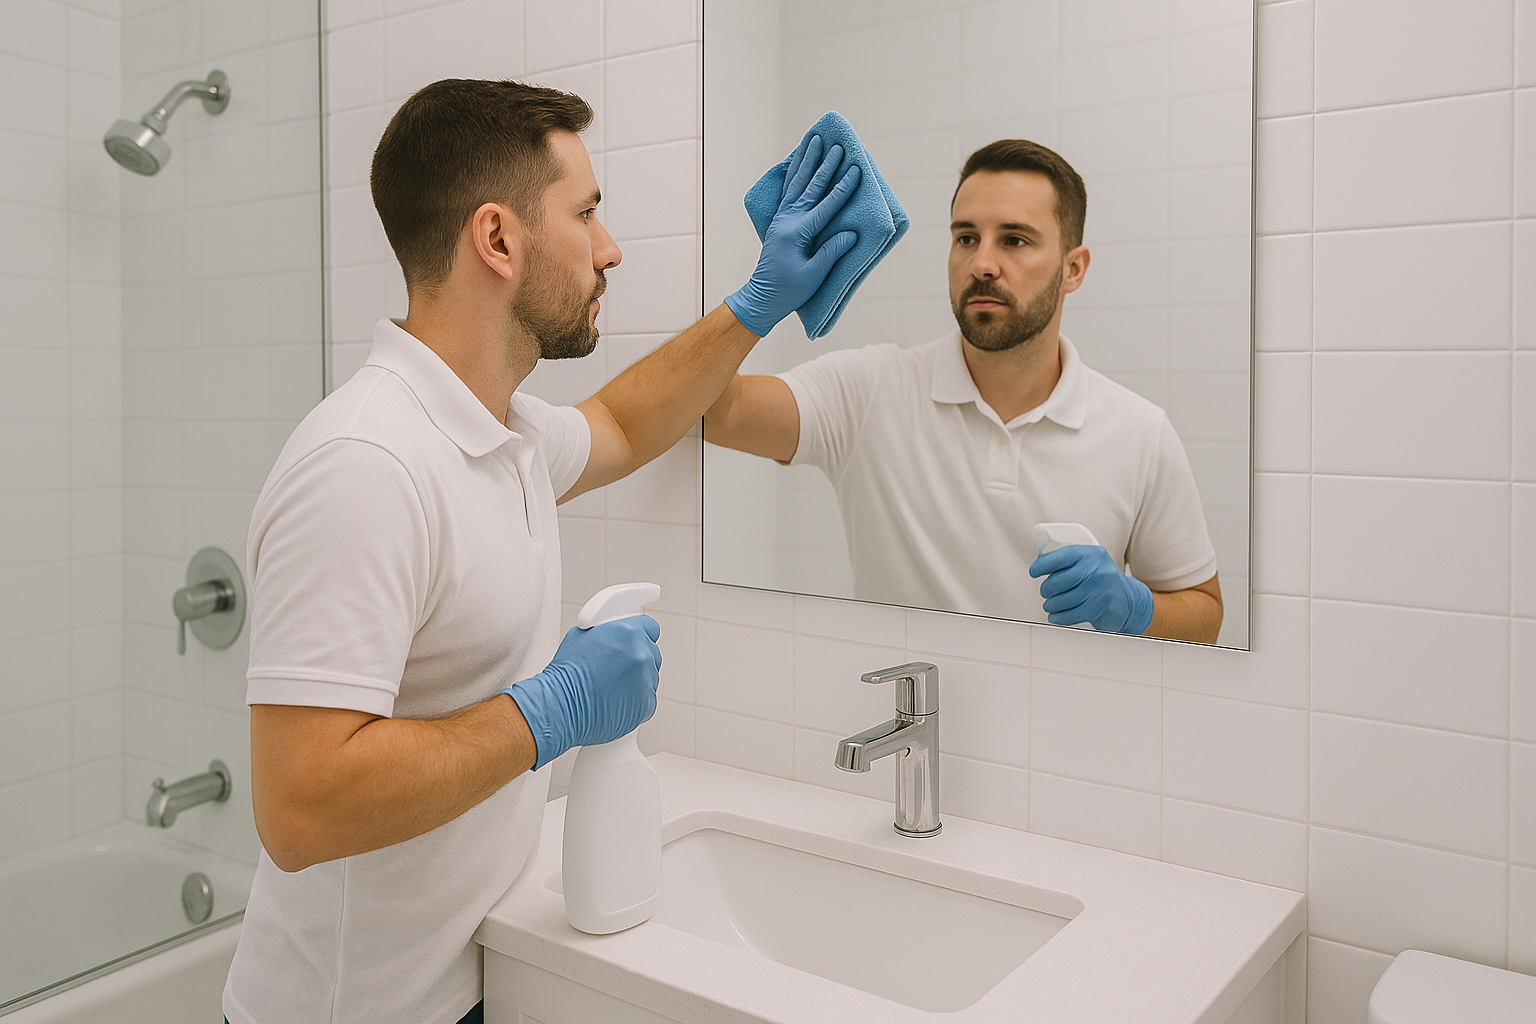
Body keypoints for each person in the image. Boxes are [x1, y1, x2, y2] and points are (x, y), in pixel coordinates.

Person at [222, 80, 860, 1024]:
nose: (609, 249)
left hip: (462, 984)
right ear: (497, 239)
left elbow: (624, 421)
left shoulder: (502, 433)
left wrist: (757, 304)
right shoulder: (364, 464)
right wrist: (547, 713)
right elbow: (299, 809)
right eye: (587, 213)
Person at [704, 139, 1223, 643]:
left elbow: (1205, 614)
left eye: (1014, 240)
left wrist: (1136, 607)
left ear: (1073, 269)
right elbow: (711, 412)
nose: (981, 264)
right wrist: (757, 302)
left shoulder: (1140, 432)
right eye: (966, 237)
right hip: (902, 715)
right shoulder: (866, 392)